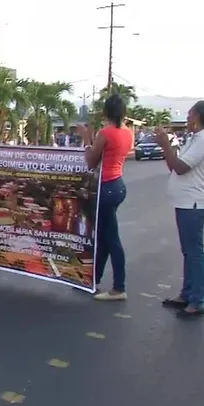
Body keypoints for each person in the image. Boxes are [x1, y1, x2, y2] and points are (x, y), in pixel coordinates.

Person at [155, 101, 204, 318]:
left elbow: (181, 168)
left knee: (194, 253)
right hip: (185, 202)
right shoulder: (197, 138)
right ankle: (187, 294)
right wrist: (169, 148)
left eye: (190, 114)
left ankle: (196, 301)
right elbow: (174, 165)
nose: (187, 117)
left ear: (200, 116)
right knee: (189, 252)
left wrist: (165, 145)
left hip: (194, 203)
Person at [79, 94, 134, 301]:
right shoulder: (127, 133)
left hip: (105, 187)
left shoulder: (105, 132)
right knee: (102, 236)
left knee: (111, 239)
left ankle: (119, 287)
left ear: (105, 112)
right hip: (118, 185)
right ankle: (94, 280)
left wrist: (87, 140)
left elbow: (92, 161)